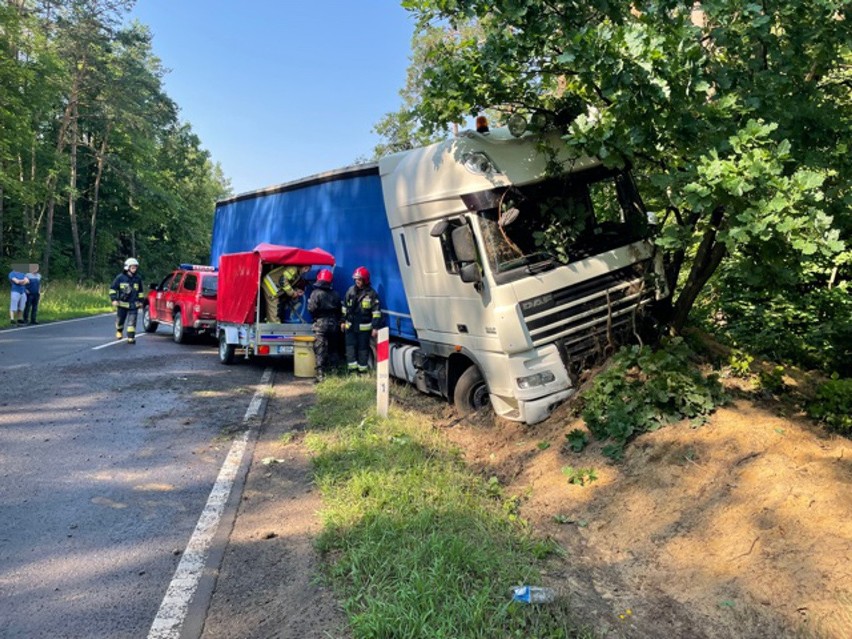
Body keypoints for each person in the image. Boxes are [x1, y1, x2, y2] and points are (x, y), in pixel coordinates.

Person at [341, 266, 381, 374]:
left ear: (365, 280)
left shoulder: (371, 294)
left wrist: (375, 327)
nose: (357, 281)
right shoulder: (350, 291)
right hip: (350, 327)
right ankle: (352, 371)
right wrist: (342, 321)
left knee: (363, 350)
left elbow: (376, 312)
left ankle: (362, 371)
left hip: (363, 329)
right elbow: (344, 307)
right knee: (350, 349)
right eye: (356, 279)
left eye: (359, 279)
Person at [307, 268, 341, 382]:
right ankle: (335, 372)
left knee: (320, 349)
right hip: (334, 324)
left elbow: (311, 309)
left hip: (321, 324)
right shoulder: (336, 294)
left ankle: (320, 375)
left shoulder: (315, 293)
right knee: (334, 348)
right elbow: (339, 310)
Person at [109, 257, 144, 344]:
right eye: (132, 267)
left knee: (132, 322)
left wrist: (141, 301)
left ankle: (131, 338)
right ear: (127, 267)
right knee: (120, 321)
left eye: (135, 267)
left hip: (133, 305)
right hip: (122, 304)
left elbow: (140, 291)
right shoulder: (120, 278)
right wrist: (114, 299)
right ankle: (119, 331)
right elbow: (113, 289)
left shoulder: (138, 279)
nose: (134, 269)